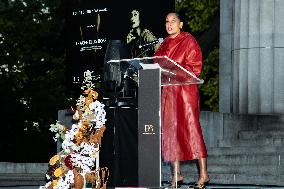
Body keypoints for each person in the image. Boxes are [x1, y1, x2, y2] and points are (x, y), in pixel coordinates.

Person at [154, 12, 210, 189]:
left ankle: (204, 175)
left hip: (185, 92)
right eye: (166, 21)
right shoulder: (163, 45)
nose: (169, 24)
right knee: (171, 132)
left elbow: (195, 67)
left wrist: (174, 69)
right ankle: (176, 175)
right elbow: (157, 66)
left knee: (192, 130)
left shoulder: (188, 41)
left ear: (181, 24)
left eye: (173, 21)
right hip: (169, 92)